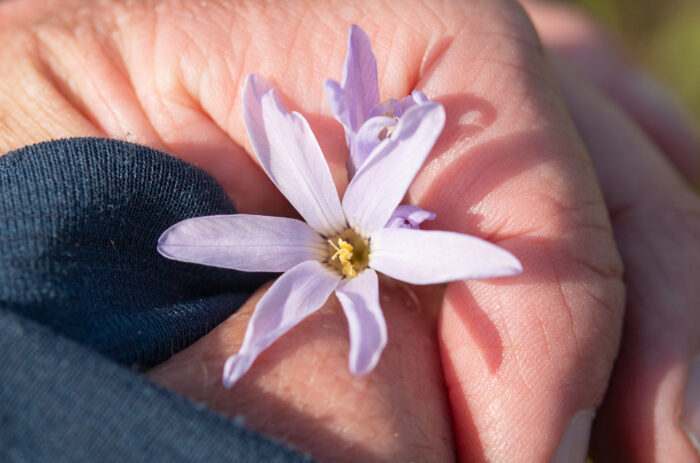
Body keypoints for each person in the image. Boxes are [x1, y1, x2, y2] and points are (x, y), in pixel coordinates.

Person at [0, 0, 697, 461]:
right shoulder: (344, 249)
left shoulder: (354, 241)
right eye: (347, 253)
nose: (347, 255)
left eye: (349, 254)